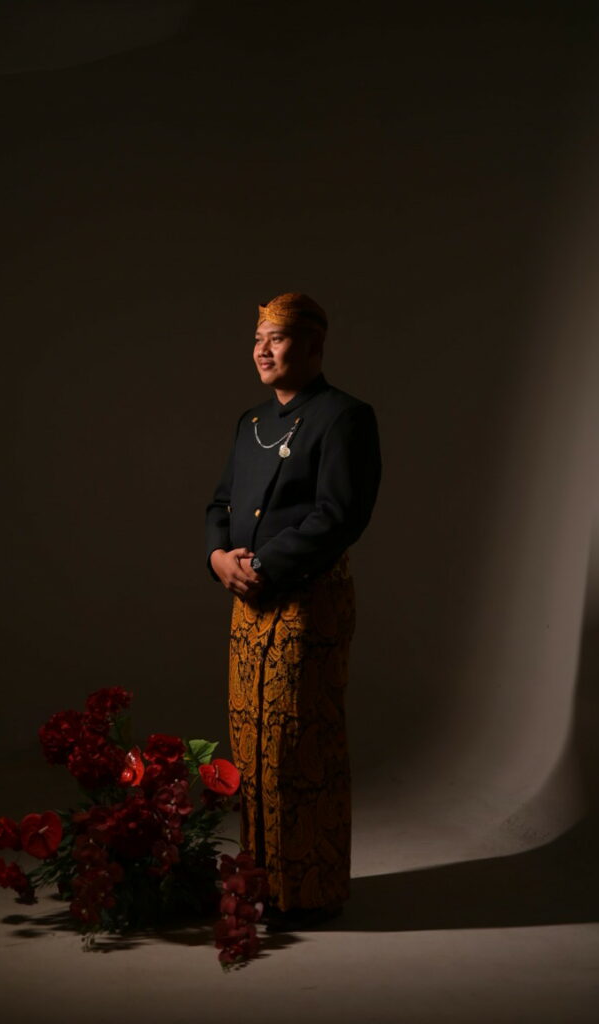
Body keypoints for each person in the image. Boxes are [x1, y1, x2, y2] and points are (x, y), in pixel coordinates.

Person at [205, 292, 381, 931]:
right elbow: (220, 503)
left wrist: (262, 564)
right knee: (251, 741)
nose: (262, 349)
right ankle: (265, 881)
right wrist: (218, 559)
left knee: (299, 741)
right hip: (247, 599)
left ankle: (310, 888)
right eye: (257, 338)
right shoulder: (251, 421)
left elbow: (340, 515)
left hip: (306, 598)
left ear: (313, 345)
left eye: (276, 338)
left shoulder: (345, 417)